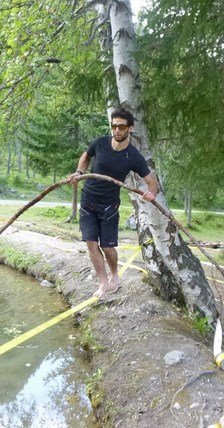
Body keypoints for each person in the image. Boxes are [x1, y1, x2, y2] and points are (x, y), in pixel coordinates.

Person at [68, 109, 159, 298]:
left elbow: (152, 183)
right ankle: (102, 283)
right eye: (114, 126)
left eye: (121, 126)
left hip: (109, 206)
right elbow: (86, 156)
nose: (117, 130)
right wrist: (79, 172)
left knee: (107, 246)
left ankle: (115, 276)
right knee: (91, 244)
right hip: (88, 201)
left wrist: (151, 194)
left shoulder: (133, 156)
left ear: (130, 128)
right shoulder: (100, 143)